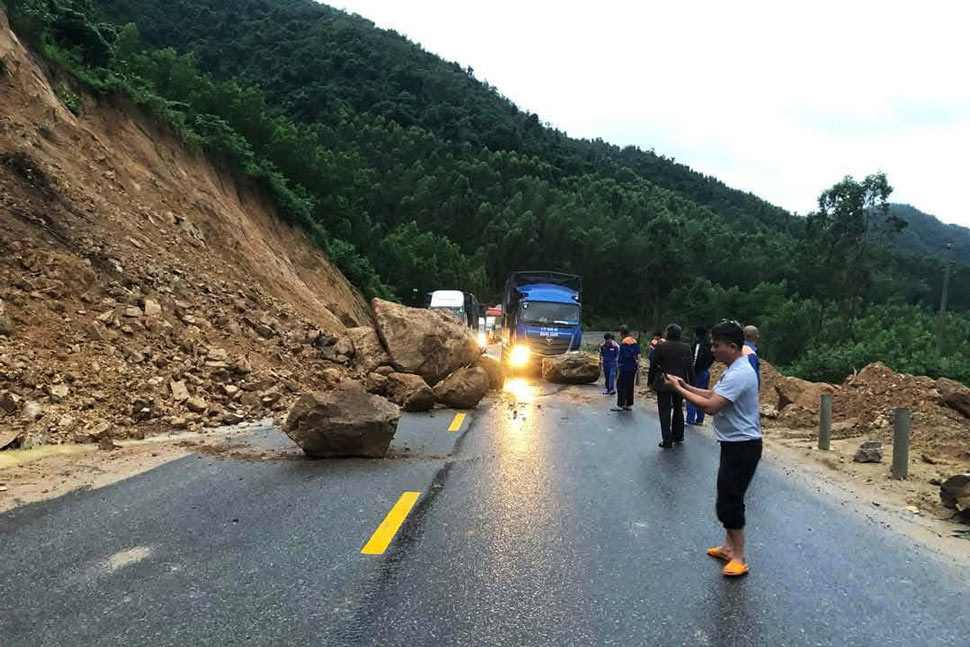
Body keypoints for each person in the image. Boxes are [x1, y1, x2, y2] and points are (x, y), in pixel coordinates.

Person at [663, 321, 762, 577]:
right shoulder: (733, 369)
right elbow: (711, 395)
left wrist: (678, 391)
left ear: (732, 346)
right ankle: (728, 548)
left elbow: (711, 407)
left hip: (743, 446)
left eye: (717, 345)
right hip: (733, 444)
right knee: (725, 496)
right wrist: (685, 385)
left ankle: (739, 557)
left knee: (731, 500)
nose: (712, 350)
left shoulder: (740, 373)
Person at [648, 323, 694, 448]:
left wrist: (650, 381)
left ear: (667, 334)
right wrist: (691, 384)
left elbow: (653, 365)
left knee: (664, 411)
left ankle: (667, 439)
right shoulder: (686, 347)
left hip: (664, 381)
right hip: (680, 382)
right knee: (678, 408)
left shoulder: (661, 347)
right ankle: (678, 435)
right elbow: (690, 367)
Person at [686, 325, 714, 426]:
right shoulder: (709, 344)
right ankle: (700, 419)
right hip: (706, 371)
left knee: (691, 394)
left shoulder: (698, 344)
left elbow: (695, 359)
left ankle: (690, 419)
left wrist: (692, 370)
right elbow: (712, 357)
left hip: (697, 372)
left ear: (696, 334)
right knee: (703, 395)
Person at [611, 326, 640, 411]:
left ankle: (620, 404)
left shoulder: (625, 341)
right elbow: (638, 353)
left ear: (621, 332)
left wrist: (620, 363)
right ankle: (629, 404)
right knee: (630, 385)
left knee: (621, 385)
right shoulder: (633, 340)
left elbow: (627, 354)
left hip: (625, 366)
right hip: (633, 367)